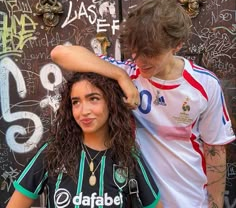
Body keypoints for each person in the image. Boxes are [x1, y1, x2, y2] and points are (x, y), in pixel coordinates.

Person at [50, 0, 236, 208]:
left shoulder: (205, 85)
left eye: (150, 53)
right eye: (135, 51)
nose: (140, 60)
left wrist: (215, 205)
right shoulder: (127, 72)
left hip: (189, 199)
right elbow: (60, 53)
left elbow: (215, 151)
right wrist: (121, 77)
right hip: (136, 199)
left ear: (177, 45)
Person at [7, 72, 162, 208]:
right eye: (76, 102)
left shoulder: (128, 155)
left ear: (111, 103)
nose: (83, 111)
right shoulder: (53, 152)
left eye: (93, 99)